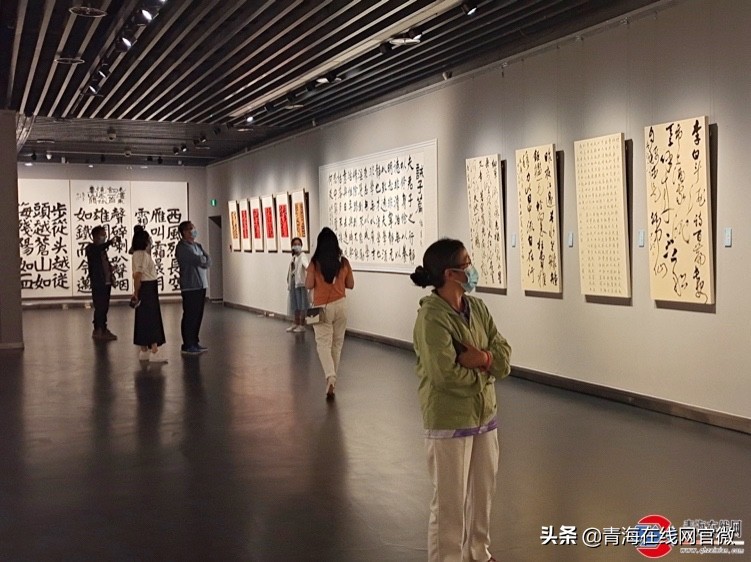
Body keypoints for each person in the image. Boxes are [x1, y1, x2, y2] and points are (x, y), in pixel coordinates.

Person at [410, 238, 512, 562]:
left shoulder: (477, 308)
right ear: (450, 273)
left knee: (483, 494)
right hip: (449, 419)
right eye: (467, 263)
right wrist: (486, 373)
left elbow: (503, 354)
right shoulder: (432, 319)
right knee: (449, 503)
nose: (472, 269)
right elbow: (445, 375)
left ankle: (478, 552)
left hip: (485, 416)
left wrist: (483, 359)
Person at [305, 227, 354, 399]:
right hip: (341, 305)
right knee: (337, 344)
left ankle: (330, 376)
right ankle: (331, 380)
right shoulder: (344, 262)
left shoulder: (314, 263)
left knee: (323, 344)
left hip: (321, 307)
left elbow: (308, 284)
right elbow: (351, 284)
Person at [131, 229, 167, 363]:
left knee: (143, 318)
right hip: (147, 288)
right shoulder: (141, 255)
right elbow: (138, 275)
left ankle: (144, 350)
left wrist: (136, 291)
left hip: (146, 287)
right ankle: (154, 350)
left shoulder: (138, 254)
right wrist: (136, 292)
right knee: (151, 318)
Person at [175, 220, 211, 355]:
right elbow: (197, 260)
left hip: (201, 285)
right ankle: (187, 344)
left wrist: (203, 259)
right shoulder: (182, 248)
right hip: (190, 286)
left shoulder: (197, 246)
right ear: (184, 232)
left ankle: (195, 341)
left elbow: (208, 260)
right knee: (190, 315)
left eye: (193, 228)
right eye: (190, 229)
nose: (193, 231)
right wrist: (202, 259)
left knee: (198, 315)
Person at [85, 226, 118, 341]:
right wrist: (110, 242)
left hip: (106, 281)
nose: (104, 237)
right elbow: (97, 249)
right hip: (98, 282)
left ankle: (103, 328)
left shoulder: (102, 250)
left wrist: (110, 268)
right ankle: (98, 329)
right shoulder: (91, 248)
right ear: (96, 236)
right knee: (100, 307)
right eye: (103, 234)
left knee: (104, 307)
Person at [286, 237, 310, 333]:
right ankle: (296, 322)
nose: (297, 246)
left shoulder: (302, 256)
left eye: (298, 244)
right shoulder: (294, 257)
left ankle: (301, 324)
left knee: (302, 304)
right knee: (295, 304)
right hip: (294, 283)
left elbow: (307, 266)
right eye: (295, 244)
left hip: (301, 284)